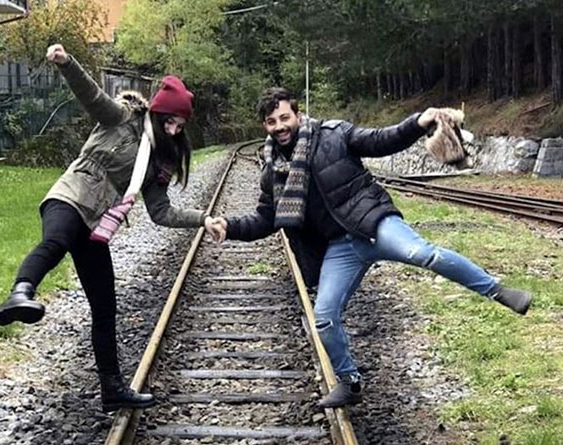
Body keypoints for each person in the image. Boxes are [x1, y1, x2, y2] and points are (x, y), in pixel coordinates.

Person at [210, 87, 532, 408]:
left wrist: (418, 122)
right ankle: (350, 383)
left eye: (284, 118)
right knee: (324, 317)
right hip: (340, 247)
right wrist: (230, 226)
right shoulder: (272, 171)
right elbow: (266, 219)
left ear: (297, 114)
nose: (280, 126)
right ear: (264, 126)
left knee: (422, 253)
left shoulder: (333, 134)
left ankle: (497, 290)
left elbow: (381, 140)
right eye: (271, 122)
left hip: (372, 224)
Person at [0, 44, 224, 412]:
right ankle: (21, 293)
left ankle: (112, 388)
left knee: (105, 306)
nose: (174, 129)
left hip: (96, 224)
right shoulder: (121, 118)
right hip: (70, 195)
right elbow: (91, 94)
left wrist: (203, 219)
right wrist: (66, 63)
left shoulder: (157, 161)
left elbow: (161, 212)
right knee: (56, 241)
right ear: (158, 112)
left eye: (180, 125)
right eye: (170, 121)